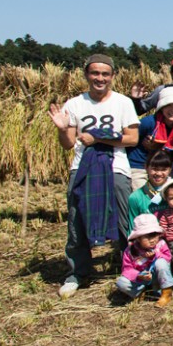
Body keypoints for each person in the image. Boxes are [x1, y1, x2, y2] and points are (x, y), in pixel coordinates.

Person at [49, 54, 140, 299]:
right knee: (77, 218)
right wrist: (61, 129)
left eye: (105, 74)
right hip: (83, 166)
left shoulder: (122, 103)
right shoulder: (75, 104)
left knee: (124, 220)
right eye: (95, 73)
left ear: (112, 76)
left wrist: (98, 138)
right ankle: (78, 271)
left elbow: (132, 138)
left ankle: (129, 267)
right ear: (87, 75)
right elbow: (68, 144)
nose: (100, 78)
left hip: (115, 167)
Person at [128, 87, 173, 189]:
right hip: (139, 167)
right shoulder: (148, 123)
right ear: (161, 107)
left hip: (163, 170)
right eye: (168, 105)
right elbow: (131, 141)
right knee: (144, 199)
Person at [116, 213, 173, 307]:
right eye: (147, 237)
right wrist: (138, 275)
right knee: (121, 282)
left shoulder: (161, 244)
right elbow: (127, 269)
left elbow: (167, 258)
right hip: (140, 279)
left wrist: (156, 255)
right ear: (138, 238)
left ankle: (166, 293)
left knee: (161, 263)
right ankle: (139, 293)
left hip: (157, 277)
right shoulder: (131, 250)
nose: (152, 240)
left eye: (155, 236)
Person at [127, 149, 172, 226]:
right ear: (146, 167)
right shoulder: (135, 197)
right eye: (154, 169)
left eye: (164, 170)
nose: (158, 173)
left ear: (170, 170)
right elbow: (133, 229)